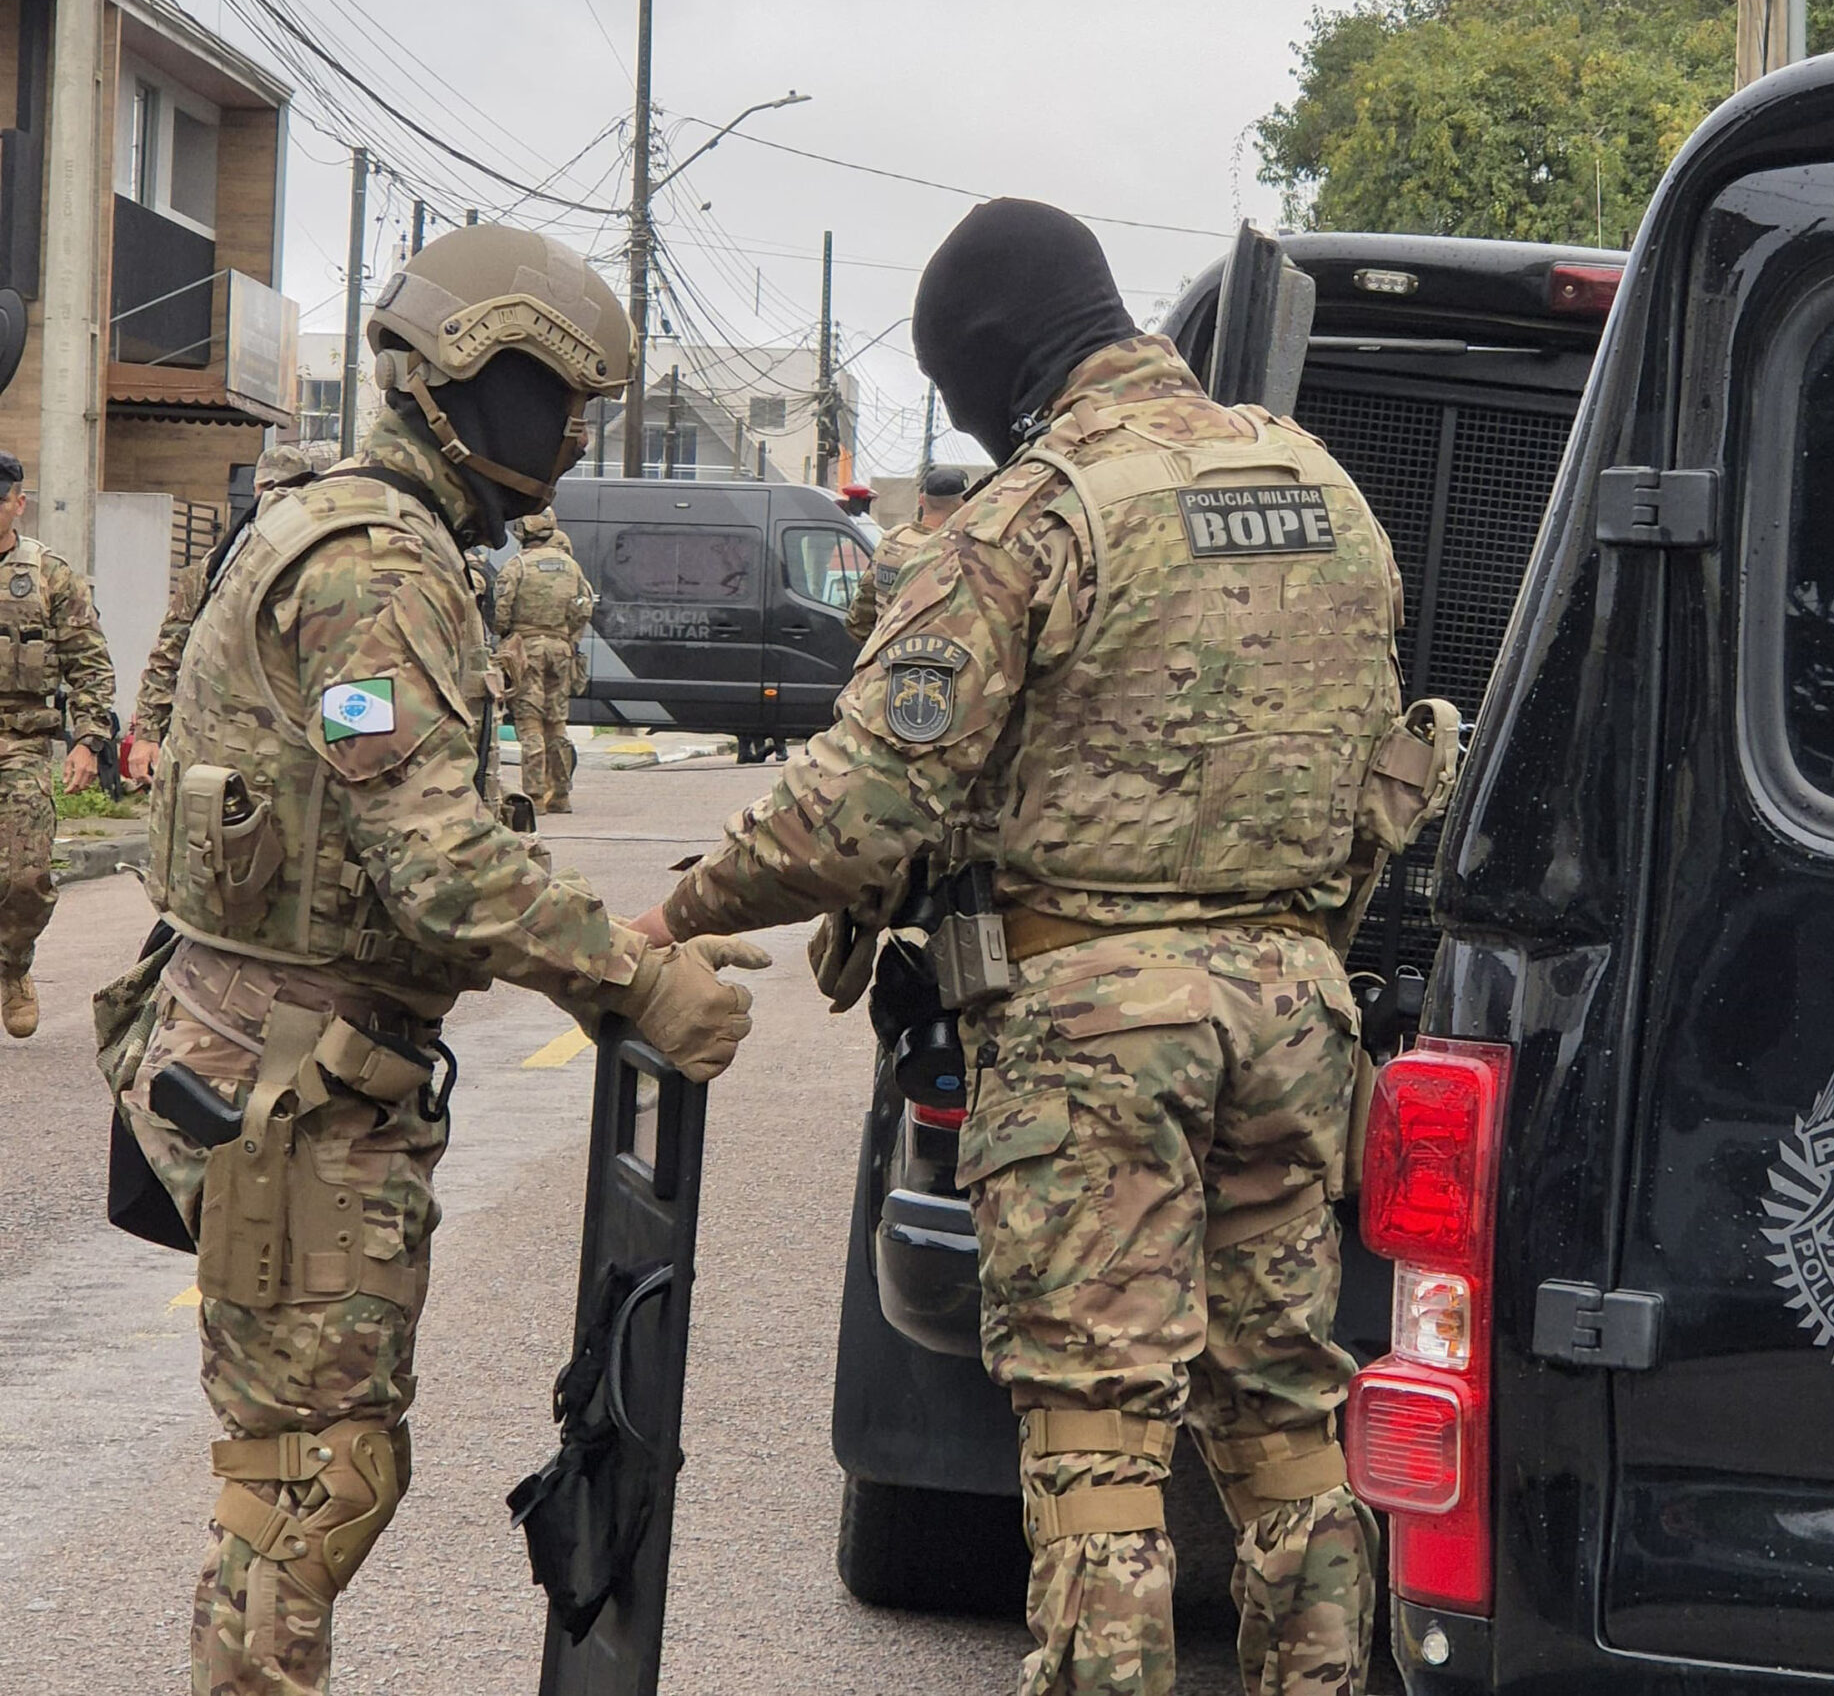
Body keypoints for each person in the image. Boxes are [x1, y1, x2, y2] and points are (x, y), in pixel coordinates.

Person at [635, 198, 1434, 1696]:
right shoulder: (1326, 488)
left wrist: (676, 912)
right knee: (1283, 1422)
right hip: (1296, 1010)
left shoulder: (1033, 517)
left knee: (1098, 1441)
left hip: (1095, 1038)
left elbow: (859, 807)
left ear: (991, 371)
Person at [120, 223, 767, 1696]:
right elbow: (440, 865)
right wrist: (633, 979)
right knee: (310, 1477)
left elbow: (417, 839)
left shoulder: (376, 536)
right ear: (470, 379)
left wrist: (636, 936)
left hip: (290, 1058)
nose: (579, 432)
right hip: (286, 1077)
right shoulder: (374, 565)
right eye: (562, 396)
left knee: (313, 1469)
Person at [0, 450, 114, 1038]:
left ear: (18, 503)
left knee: (25, 878)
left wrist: (88, 741)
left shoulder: (49, 575)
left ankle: (12, 965)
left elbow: (89, 664)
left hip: (18, 741)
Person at [129, 443, 321, 785]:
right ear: (256, 490)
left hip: (292, 752)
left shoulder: (319, 569)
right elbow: (169, 652)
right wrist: (146, 733)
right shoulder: (215, 567)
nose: (275, 500)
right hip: (214, 747)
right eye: (269, 489)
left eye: (288, 489)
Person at [492, 507, 595, 814]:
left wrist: (506, 634)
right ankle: (561, 794)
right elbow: (584, 609)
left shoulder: (517, 566)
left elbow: (500, 614)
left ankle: (535, 796)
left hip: (527, 650)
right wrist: (567, 638)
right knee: (557, 724)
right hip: (561, 650)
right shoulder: (571, 567)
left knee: (530, 722)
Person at [843, 461, 970, 649]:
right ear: (963, 505)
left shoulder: (892, 539)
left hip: (885, 657)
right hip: (930, 663)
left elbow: (861, 613)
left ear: (921, 500)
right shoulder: (956, 550)